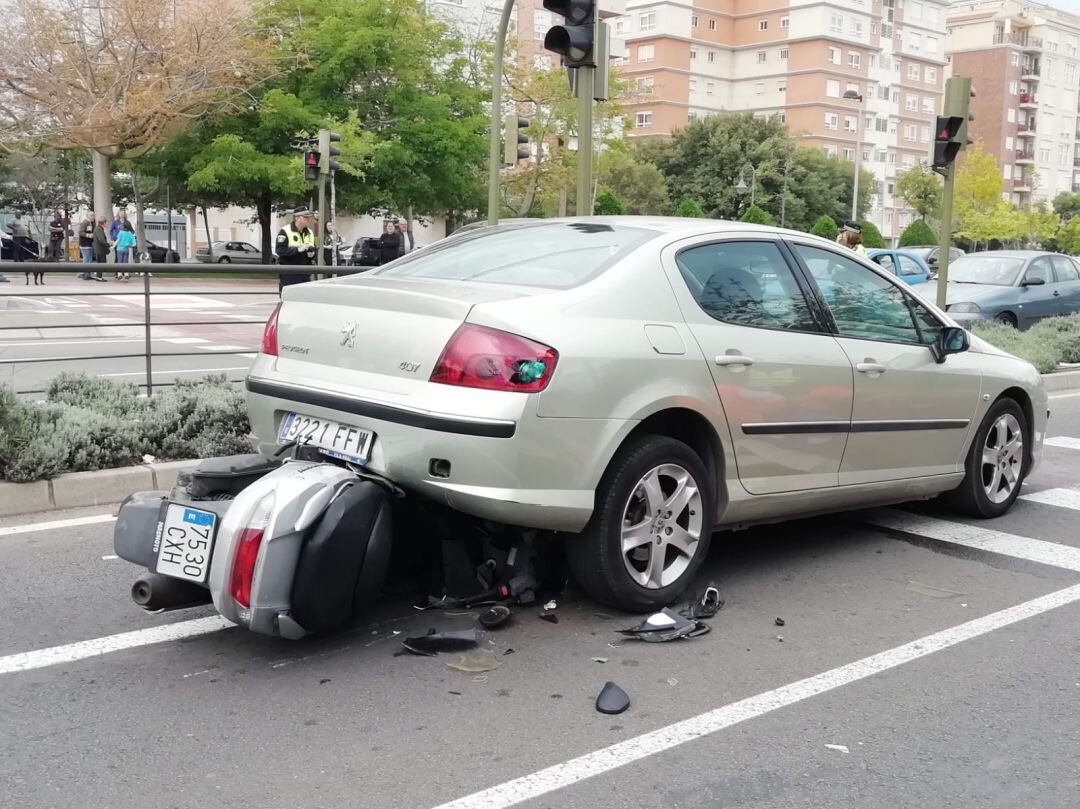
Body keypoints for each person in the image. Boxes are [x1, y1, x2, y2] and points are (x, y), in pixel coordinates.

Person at [274, 205, 316, 290]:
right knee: (288, 299)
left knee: (304, 299)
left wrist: (312, 254)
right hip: (289, 272)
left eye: (308, 217)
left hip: (305, 272)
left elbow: (314, 248)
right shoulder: (285, 231)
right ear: (297, 218)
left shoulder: (309, 232)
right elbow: (280, 250)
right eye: (305, 217)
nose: (308, 219)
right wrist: (297, 249)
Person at [77, 212, 96, 279]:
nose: (93, 217)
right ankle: (84, 273)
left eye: (93, 215)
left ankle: (87, 274)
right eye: (91, 215)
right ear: (87, 216)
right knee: (86, 259)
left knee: (89, 260)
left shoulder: (92, 223)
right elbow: (80, 232)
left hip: (89, 244)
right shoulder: (85, 222)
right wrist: (88, 235)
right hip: (84, 244)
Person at [91, 215, 110, 280]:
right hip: (100, 249)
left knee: (100, 263)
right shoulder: (99, 229)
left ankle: (99, 276)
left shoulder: (98, 228)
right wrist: (108, 244)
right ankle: (99, 276)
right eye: (106, 222)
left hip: (99, 249)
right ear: (104, 223)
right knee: (101, 263)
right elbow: (101, 240)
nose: (107, 224)